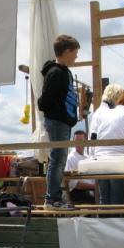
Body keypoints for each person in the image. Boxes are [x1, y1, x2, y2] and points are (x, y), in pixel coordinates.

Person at [38, 34, 80, 210]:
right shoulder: (55, 72)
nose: (76, 56)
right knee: (58, 159)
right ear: (68, 52)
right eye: (75, 53)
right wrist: (57, 113)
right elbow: (44, 100)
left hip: (64, 121)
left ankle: (54, 197)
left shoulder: (65, 72)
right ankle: (52, 198)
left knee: (60, 159)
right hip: (56, 121)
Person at [92, 92, 124, 205]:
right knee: (117, 199)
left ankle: (103, 217)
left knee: (104, 199)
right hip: (120, 161)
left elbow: (93, 137)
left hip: (100, 159)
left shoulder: (102, 114)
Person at [64, 131, 95, 203]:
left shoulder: (88, 157)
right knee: (97, 197)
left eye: (81, 140)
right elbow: (73, 183)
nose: (78, 143)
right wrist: (93, 186)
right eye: (76, 140)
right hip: (77, 191)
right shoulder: (70, 158)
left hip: (89, 189)